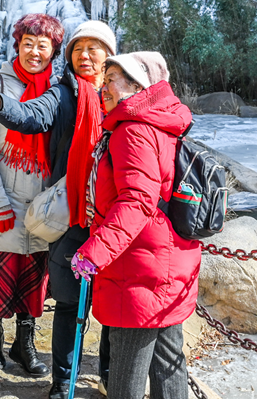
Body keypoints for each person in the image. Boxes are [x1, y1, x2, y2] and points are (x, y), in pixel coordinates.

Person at [0, 20, 117, 399]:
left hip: (102, 214)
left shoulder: (120, 93)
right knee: (57, 296)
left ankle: (104, 372)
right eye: (79, 49)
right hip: (56, 210)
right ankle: (50, 377)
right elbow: (27, 118)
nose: (85, 56)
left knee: (45, 286)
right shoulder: (63, 94)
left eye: (93, 49)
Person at [71, 52, 201, 399]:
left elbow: (137, 201)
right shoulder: (161, 123)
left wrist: (93, 253)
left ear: (136, 86)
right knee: (168, 361)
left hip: (138, 269)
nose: (103, 85)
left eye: (112, 78)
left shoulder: (133, 130)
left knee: (127, 368)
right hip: (167, 258)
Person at [0, 13, 65, 377]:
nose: (34, 52)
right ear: (17, 46)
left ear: (54, 51)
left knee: (33, 278)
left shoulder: (58, 90)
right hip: (1, 199)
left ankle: (24, 346)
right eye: (28, 44)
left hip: (40, 203)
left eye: (43, 45)